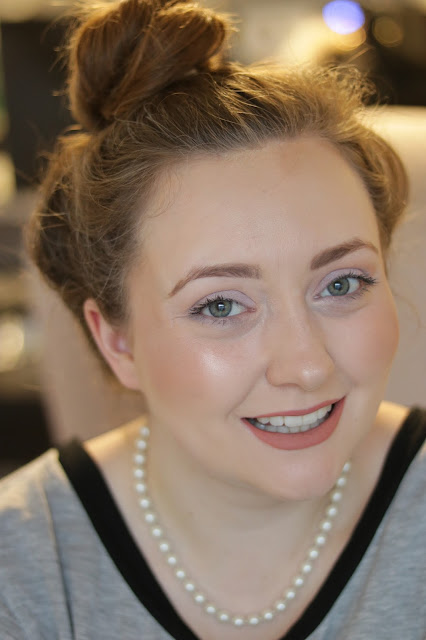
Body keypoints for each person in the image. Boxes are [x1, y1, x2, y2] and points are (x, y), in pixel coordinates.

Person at [1, 0, 425, 638]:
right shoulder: (21, 571)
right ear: (116, 340)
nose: (307, 365)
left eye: (342, 283)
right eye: (221, 305)